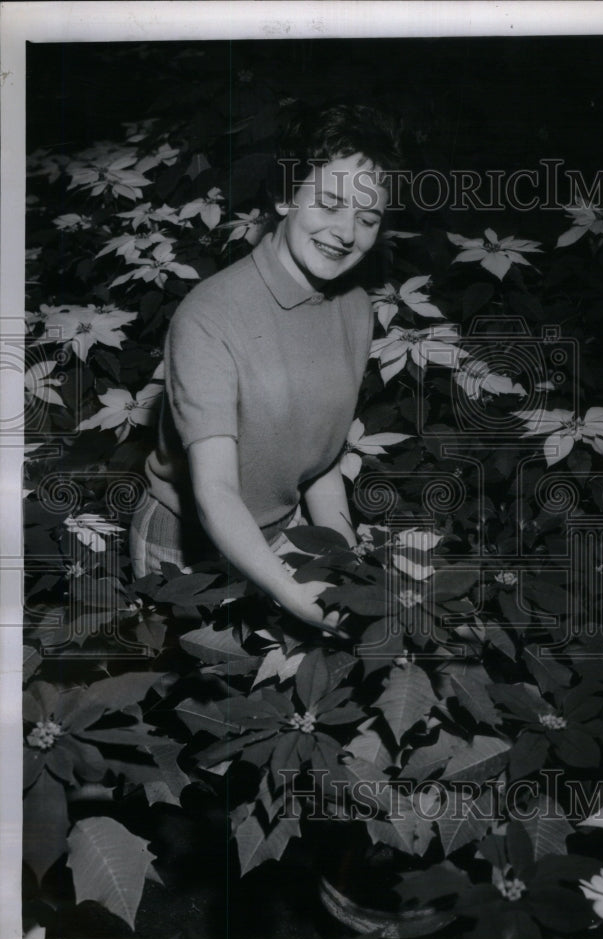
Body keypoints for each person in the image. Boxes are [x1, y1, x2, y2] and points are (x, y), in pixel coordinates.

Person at [130, 105, 401, 635]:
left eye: (368, 219)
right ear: (285, 196)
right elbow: (215, 492)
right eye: (329, 203)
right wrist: (287, 590)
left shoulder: (355, 307)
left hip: (286, 525)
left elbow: (319, 458)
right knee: (216, 705)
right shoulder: (209, 317)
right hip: (189, 543)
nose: (346, 233)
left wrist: (348, 564)